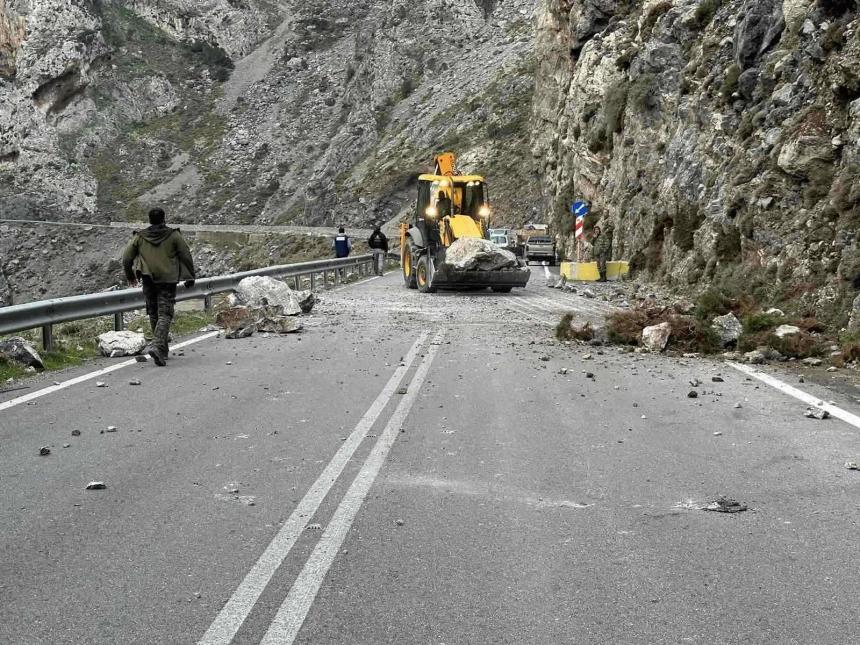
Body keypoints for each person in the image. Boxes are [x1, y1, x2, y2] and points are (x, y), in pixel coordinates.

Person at [122, 208, 195, 366]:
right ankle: (157, 345)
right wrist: (190, 276)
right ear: (164, 218)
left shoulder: (139, 237)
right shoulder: (173, 235)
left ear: (149, 220)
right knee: (165, 314)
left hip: (148, 279)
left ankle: (162, 350)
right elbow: (186, 255)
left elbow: (126, 258)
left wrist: (130, 276)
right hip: (167, 281)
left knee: (153, 312)